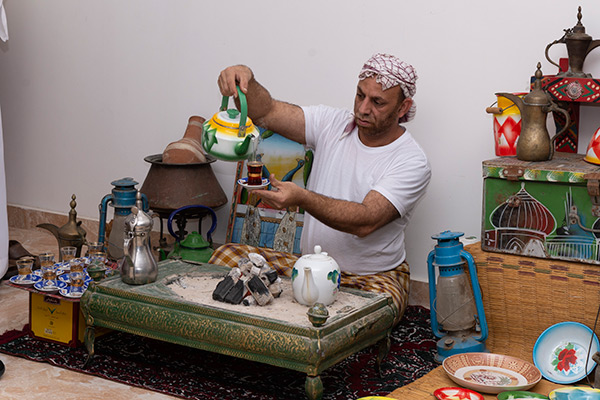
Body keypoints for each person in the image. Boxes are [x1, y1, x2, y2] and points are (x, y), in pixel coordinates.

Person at [210, 53, 431, 324]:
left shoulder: (411, 160)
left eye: (377, 102)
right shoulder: (332, 123)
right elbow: (266, 112)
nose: (363, 109)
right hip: (306, 267)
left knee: (359, 321)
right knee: (224, 256)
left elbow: (366, 221)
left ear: (402, 107)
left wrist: (302, 198)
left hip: (370, 279)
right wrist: (246, 80)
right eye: (360, 95)